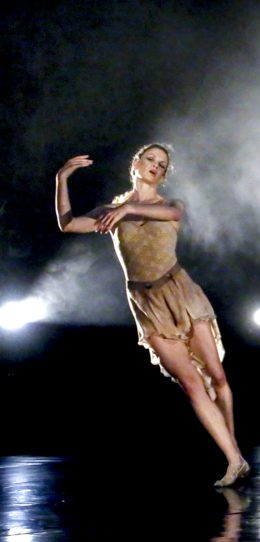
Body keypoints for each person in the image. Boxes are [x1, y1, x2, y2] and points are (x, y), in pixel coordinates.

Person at [54, 144, 249, 486]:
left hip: (179, 292)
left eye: (162, 164)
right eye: (151, 160)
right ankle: (234, 459)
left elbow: (174, 216)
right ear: (136, 163)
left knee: (216, 376)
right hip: (146, 303)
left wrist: (128, 207)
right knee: (191, 385)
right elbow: (68, 225)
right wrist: (62, 178)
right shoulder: (111, 211)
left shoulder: (170, 204)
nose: (156, 167)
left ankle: (234, 453)